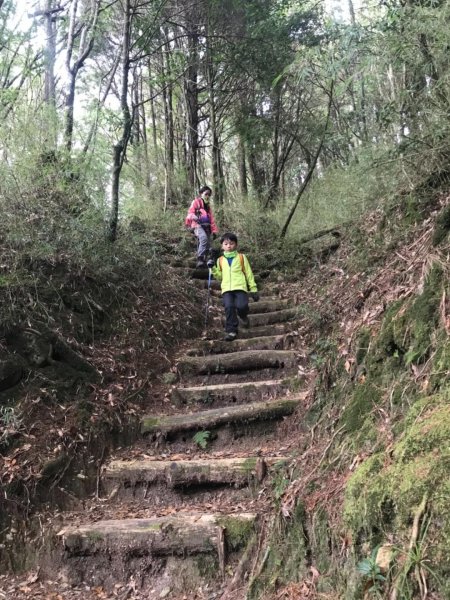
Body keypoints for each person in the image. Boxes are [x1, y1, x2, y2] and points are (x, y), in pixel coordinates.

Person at [208, 232, 259, 341]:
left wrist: (253, 289)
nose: (229, 246)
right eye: (226, 244)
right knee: (229, 307)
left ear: (236, 245)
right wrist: (213, 268)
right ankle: (231, 330)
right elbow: (220, 277)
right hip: (226, 288)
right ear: (222, 246)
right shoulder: (220, 260)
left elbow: (248, 273)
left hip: (240, 287)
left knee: (242, 306)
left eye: (231, 243)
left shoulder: (241, 257)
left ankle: (243, 316)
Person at [185, 185, 219, 268]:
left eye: (209, 195)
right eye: (206, 194)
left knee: (208, 243)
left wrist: (214, 231)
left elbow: (212, 220)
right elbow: (190, 213)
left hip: (207, 227)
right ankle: (200, 258)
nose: (207, 196)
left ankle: (205, 260)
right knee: (203, 238)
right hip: (197, 225)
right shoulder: (196, 202)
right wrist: (194, 217)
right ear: (201, 194)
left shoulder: (208, 207)